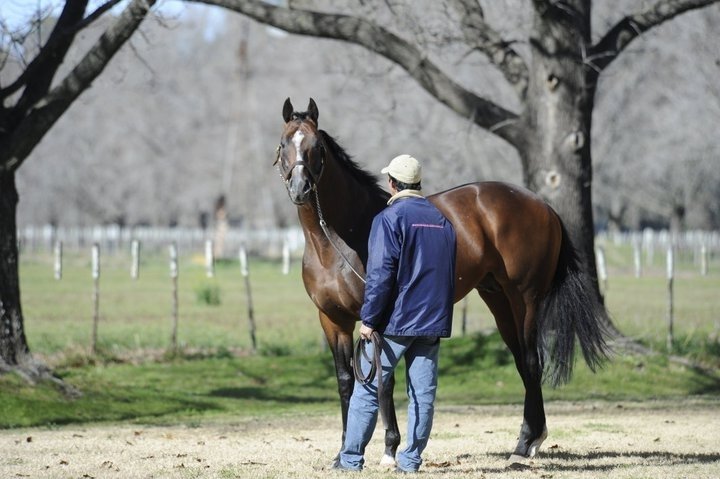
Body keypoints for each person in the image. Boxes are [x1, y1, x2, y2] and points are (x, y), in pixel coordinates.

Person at [335, 154, 457, 473]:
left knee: (367, 388)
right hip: (432, 322)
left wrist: (369, 320)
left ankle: (350, 460)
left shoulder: (388, 219)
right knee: (422, 395)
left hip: (395, 322)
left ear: (392, 183)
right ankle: (410, 461)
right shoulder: (442, 219)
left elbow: (380, 275)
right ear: (417, 182)